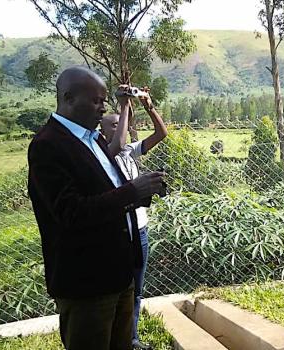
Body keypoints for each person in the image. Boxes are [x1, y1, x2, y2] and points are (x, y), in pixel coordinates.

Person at [27, 66, 166, 350]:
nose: (103, 108)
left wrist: (144, 191)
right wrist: (132, 190)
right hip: (86, 283)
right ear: (68, 98)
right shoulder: (48, 145)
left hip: (119, 273)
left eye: (105, 101)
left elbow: (106, 192)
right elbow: (71, 212)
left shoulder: (94, 139)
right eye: (96, 101)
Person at [100, 86, 168, 350]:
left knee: (137, 289)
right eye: (116, 123)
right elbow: (116, 144)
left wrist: (149, 105)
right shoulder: (106, 153)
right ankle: (120, 338)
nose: (123, 127)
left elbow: (161, 133)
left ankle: (132, 338)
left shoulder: (130, 151)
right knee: (120, 290)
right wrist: (125, 105)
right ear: (102, 131)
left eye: (124, 123)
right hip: (120, 232)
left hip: (139, 229)